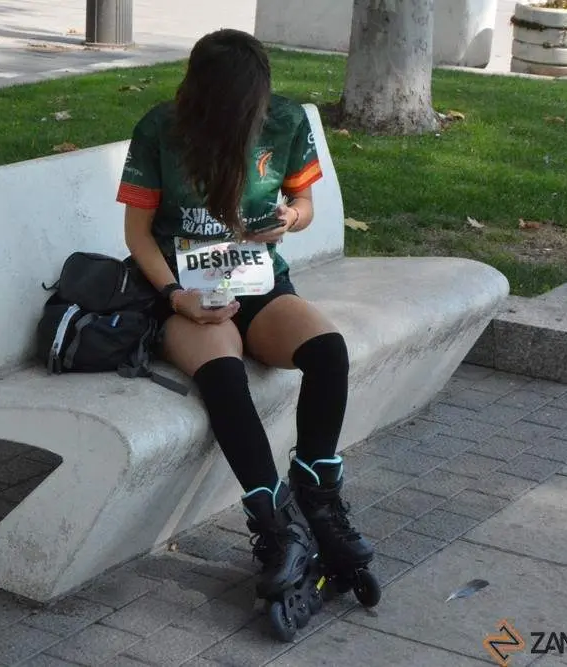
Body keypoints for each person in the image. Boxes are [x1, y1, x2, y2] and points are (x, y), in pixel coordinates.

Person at [115, 28, 377, 635]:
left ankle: (318, 493)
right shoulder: (161, 129)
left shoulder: (284, 121)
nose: (248, 116)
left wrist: (290, 216)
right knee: (223, 376)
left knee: (328, 351)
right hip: (184, 296)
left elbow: (303, 205)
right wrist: (176, 298)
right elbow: (136, 235)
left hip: (261, 286)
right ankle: (273, 523)